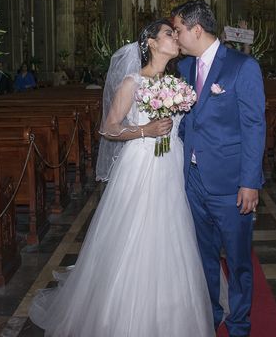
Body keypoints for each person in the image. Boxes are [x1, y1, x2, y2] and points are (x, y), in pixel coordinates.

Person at [29, 19, 213, 337]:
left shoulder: (178, 81)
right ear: (152, 43)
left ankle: (171, 309)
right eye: (169, 33)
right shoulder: (133, 82)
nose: (175, 38)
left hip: (171, 162)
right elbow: (109, 128)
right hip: (142, 163)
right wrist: (146, 129)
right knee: (138, 232)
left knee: (172, 230)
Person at [172, 0, 266, 337]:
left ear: (197, 29)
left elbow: (254, 126)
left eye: (179, 30)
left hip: (231, 183)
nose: (176, 36)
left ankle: (239, 325)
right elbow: (187, 123)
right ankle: (210, 316)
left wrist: (250, 182)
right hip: (193, 179)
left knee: (239, 261)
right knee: (203, 257)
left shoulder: (242, 66)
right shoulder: (184, 70)